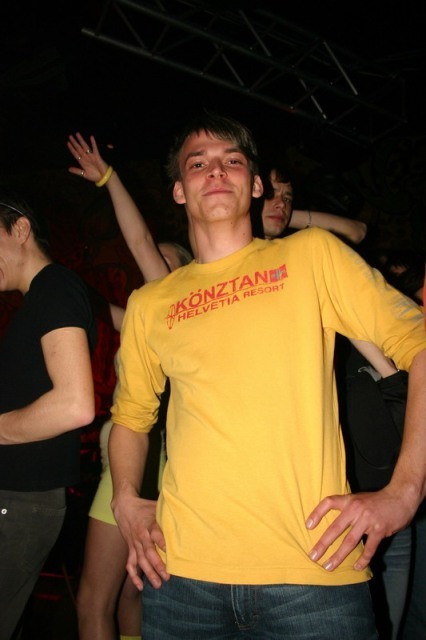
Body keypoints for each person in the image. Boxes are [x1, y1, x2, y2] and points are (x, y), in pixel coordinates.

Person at [109, 113, 426, 639]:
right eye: (198, 164)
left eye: (232, 160)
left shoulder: (311, 254)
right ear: (179, 191)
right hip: (181, 577)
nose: (216, 170)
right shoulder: (151, 303)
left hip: (315, 575)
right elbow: (130, 418)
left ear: (255, 186)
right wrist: (124, 499)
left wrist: (406, 490)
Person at [67, 133, 192, 640]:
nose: (148, 270)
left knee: (93, 601)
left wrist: (109, 179)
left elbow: (140, 242)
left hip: (140, 470)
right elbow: (96, 309)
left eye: (163, 262)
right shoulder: (145, 317)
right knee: (131, 593)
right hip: (140, 465)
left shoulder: (178, 307)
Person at [0, 193, 96, 640]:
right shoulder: (43, 296)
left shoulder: (55, 286)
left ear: (20, 229)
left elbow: (75, 404)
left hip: (19, 501)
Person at [259, 162, 367, 244]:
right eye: (269, 194)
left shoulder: (289, 249)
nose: (283, 204)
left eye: (287, 199)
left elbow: (357, 231)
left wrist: (283, 216)